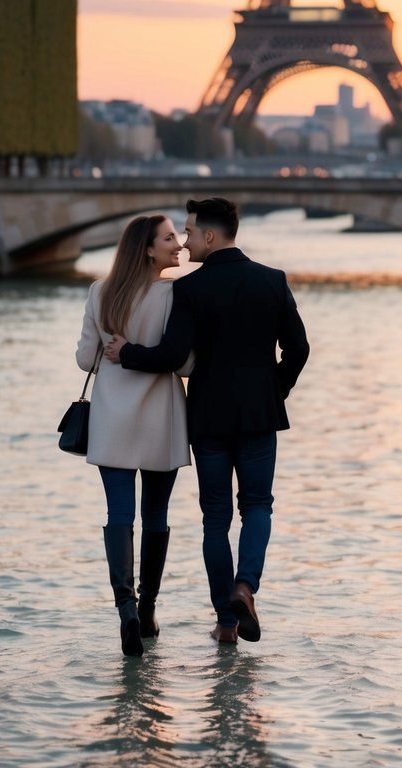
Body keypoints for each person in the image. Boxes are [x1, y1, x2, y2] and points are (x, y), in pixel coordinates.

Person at [104, 197, 310, 646]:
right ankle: (245, 587)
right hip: (260, 415)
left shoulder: (190, 289)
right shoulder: (272, 281)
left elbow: (174, 356)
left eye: (191, 231)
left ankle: (226, 624)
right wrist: (276, 389)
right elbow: (299, 350)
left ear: (211, 237)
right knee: (257, 506)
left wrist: (128, 353)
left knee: (215, 520)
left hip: (210, 419)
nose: (186, 240)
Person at [76, 214, 193, 658]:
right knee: (156, 513)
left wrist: (115, 349)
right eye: (169, 237)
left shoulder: (99, 292)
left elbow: (87, 358)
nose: (178, 242)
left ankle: (124, 609)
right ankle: (147, 610)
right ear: (148, 248)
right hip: (160, 415)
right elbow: (185, 364)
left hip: (112, 417)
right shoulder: (174, 295)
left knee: (118, 512)